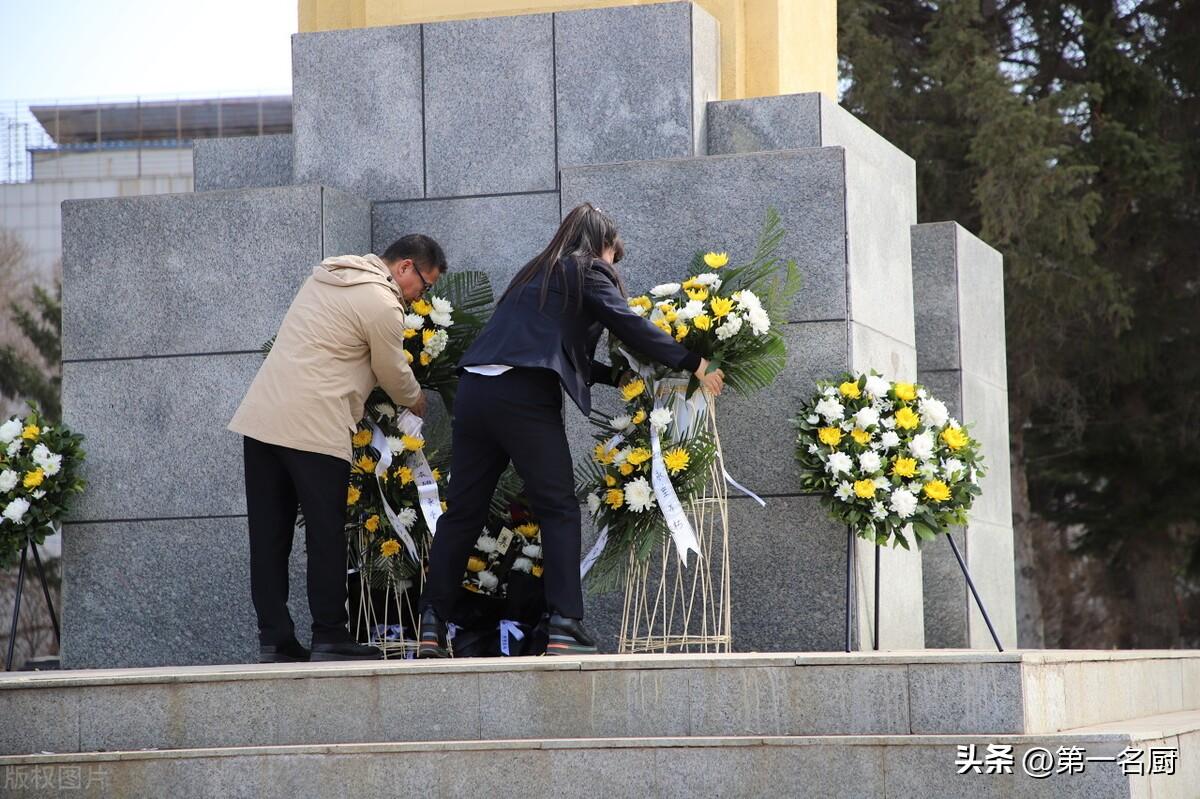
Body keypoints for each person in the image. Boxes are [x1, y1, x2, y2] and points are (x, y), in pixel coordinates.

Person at [418, 204, 724, 658]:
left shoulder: (533, 272)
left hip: (475, 392)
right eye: (613, 257)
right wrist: (693, 362)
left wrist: (608, 375)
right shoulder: (590, 269)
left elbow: (548, 342)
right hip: (521, 395)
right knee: (558, 507)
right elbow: (629, 323)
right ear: (604, 246)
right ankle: (563, 624)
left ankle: (431, 623)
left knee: (463, 514)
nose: (612, 266)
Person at [229, 235, 447, 663]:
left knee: (269, 538)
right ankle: (330, 634)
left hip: (261, 419)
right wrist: (415, 398)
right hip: (314, 425)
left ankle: (274, 638)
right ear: (404, 268)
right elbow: (390, 369)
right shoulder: (383, 303)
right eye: (424, 284)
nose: (423, 294)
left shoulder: (329, 276)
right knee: (327, 533)